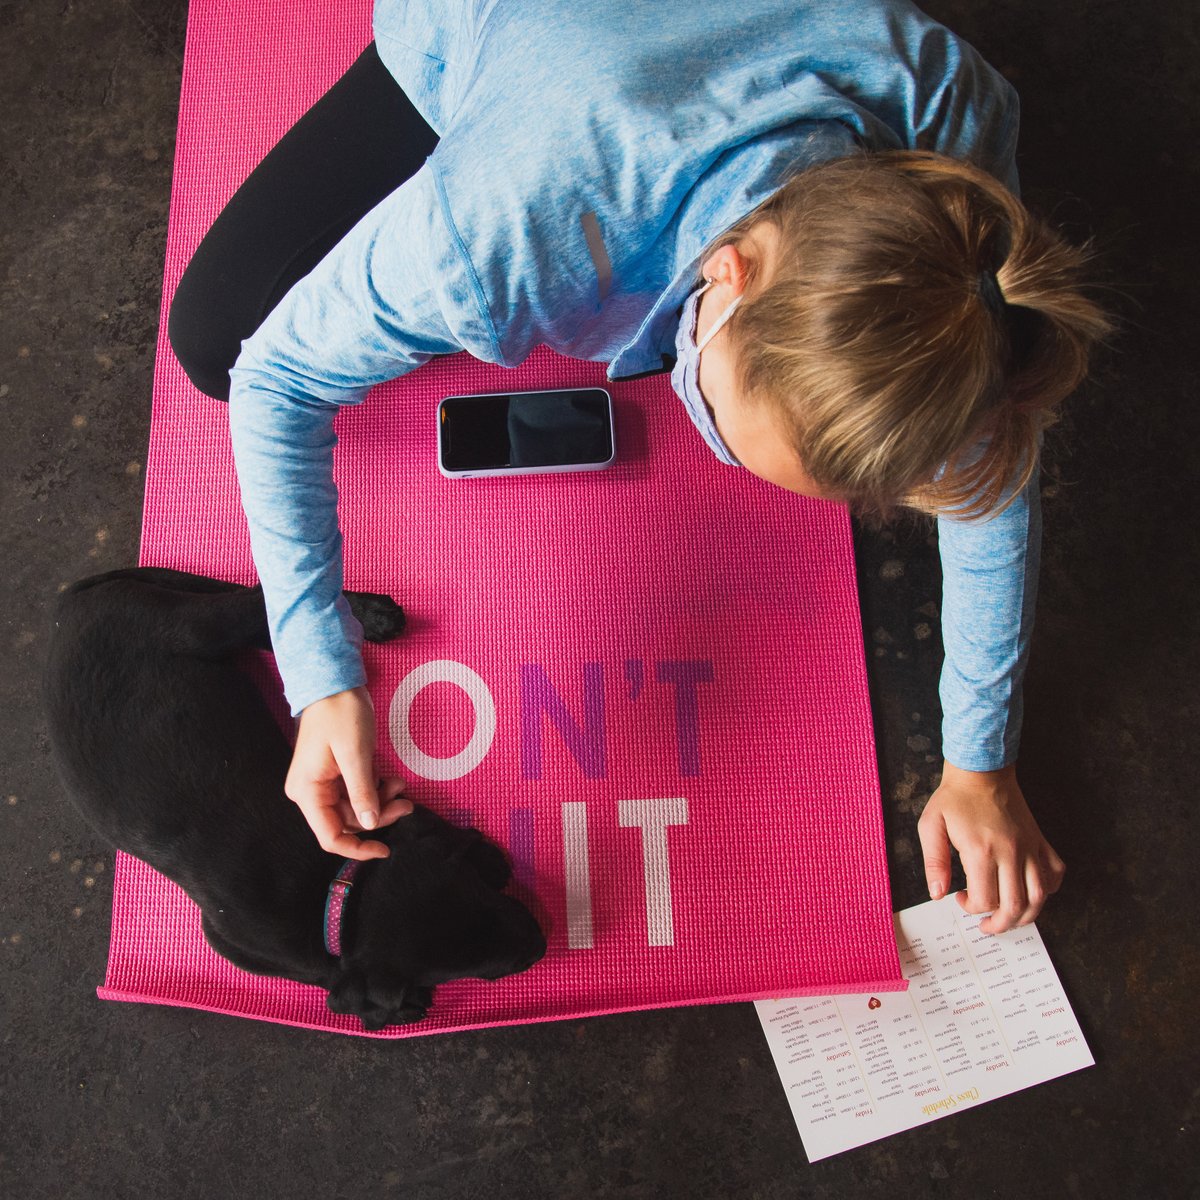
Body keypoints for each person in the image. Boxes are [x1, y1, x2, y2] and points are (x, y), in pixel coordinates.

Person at [167, 0, 1108, 934]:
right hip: (524, 55)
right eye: (724, 420)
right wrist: (320, 677)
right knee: (213, 342)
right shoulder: (502, 230)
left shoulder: (951, 148)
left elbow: (988, 470)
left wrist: (980, 765)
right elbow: (278, 375)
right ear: (730, 273)